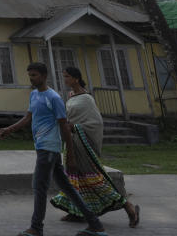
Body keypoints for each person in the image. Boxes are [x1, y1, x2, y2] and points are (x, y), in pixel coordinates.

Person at [0, 62, 107, 236]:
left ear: (44, 76)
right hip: (42, 146)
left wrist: (70, 155)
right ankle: (95, 225)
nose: (32, 79)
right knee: (68, 187)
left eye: (34, 75)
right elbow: (28, 117)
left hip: (50, 148)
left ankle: (36, 228)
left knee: (39, 186)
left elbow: (64, 127)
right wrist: (9, 129)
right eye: (30, 76)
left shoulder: (54, 98)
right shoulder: (34, 95)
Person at [52, 66, 140, 228]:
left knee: (93, 179)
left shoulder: (86, 98)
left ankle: (128, 207)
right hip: (71, 141)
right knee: (74, 178)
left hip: (83, 142)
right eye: (63, 76)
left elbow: (95, 123)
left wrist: (75, 127)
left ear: (76, 78)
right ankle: (77, 212)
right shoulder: (70, 96)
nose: (64, 80)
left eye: (67, 77)